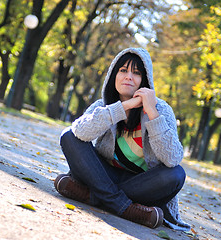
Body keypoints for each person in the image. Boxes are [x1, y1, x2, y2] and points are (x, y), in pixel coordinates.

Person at [54, 48, 190, 231]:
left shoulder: (162, 110)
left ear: (145, 80)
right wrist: (123, 107)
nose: (129, 77)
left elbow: (172, 158)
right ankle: (125, 208)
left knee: (176, 174)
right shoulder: (103, 106)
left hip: (142, 185)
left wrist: (152, 113)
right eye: (123, 70)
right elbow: (79, 131)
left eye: (136, 73)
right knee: (69, 135)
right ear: (114, 75)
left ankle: (94, 197)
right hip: (104, 174)